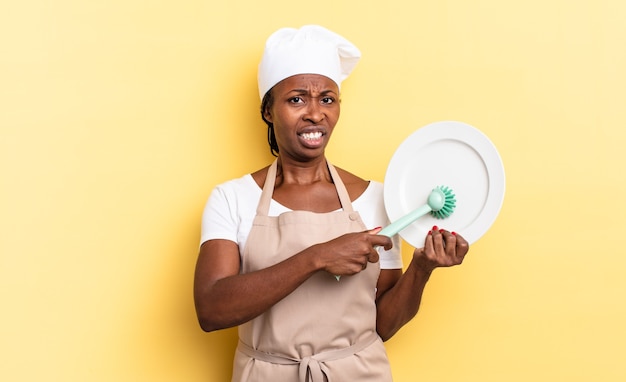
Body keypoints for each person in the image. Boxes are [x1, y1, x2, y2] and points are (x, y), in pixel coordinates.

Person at [194, 25, 469, 382]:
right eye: (296, 99)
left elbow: (383, 324)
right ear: (268, 110)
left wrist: (422, 269)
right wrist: (317, 257)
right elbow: (211, 309)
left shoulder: (376, 198)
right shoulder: (232, 198)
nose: (315, 113)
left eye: (327, 98)